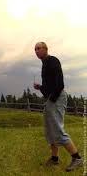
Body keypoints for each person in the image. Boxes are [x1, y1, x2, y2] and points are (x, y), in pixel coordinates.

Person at [33, 42, 83, 172]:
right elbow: (48, 88)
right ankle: (54, 159)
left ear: (46, 49)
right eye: (35, 49)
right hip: (52, 98)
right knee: (50, 129)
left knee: (57, 128)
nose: (36, 51)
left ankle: (77, 158)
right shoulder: (44, 66)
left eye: (39, 48)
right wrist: (40, 88)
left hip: (57, 98)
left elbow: (59, 83)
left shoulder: (53, 61)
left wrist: (53, 99)